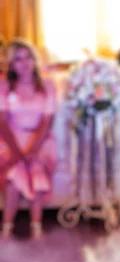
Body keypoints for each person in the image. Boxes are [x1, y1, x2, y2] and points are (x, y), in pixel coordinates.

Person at [0, 39, 58, 239]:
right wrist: (17, 152)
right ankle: (7, 229)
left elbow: (46, 122)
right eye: (17, 59)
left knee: (36, 170)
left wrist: (32, 151)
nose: (24, 63)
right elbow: (3, 123)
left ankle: (36, 227)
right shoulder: (4, 85)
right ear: (11, 64)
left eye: (28, 58)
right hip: (12, 138)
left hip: (40, 138)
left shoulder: (47, 85)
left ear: (34, 60)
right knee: (13, 175)